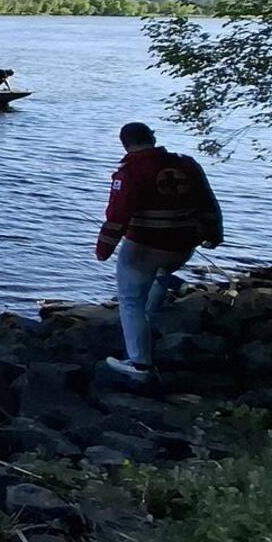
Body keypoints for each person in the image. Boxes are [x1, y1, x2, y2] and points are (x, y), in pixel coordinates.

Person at [95, 122, 224, 382]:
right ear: (152, 138)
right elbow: (208, 203)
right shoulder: (187, 164)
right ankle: (152, 317)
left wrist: (103, 249)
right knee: (160, 276)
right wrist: (214, 235)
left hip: (144, 246)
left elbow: (117, 216)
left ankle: (139, 364)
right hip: (183, 246)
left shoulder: (129, 172)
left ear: (124, 143)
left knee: (130, 300)